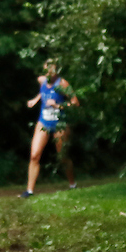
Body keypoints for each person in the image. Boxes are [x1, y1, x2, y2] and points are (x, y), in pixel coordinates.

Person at [21, 59, 80, 198]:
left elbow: (75, 103)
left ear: (56, 70)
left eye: (52, 69)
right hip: (43, 122)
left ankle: (72, 184)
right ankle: (29, 191)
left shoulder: (63, 84)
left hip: (60, 123)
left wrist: (58, 105)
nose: (49, 72)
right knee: (34, 155)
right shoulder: (41, 80)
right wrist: (36, 99)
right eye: (47, 69)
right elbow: (43, 92)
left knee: (62, 157)